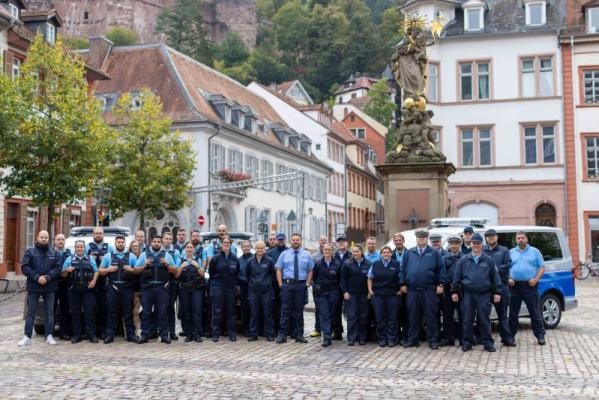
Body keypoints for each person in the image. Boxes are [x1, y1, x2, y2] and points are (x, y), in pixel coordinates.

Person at [452, 234, 502, 352]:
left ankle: (488, 343)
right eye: (474, 243)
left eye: (478, 243)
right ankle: (467, 342)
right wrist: (454, 291)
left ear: (482, 245)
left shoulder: (488, 260)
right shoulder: (463, 260)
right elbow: (457, 277)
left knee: (484, 319)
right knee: (467, 319)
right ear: (471, 244)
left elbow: (495, 277)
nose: (476, 245)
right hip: (468, 294)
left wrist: (497, 292)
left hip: (484, 294)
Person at [400, 228, 446, 349]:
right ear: (416, 238)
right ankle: (413, 339)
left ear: (427, 239)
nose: (421, 238)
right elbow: (402, 269)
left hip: (429, 290)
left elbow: (441, 270)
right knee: (413, 316)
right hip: (412, 290)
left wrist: (440, 284)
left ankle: (433, 340)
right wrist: (402, 284)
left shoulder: (435, 253)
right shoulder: (409, 253)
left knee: (431, 315)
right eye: (419, 237)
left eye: (424, 237)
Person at [19, 230, 62, 347]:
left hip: (50, 286)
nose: (44, 239)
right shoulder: (30, 252)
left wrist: (47, 277)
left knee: (49, 313)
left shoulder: (54, 253)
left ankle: (49, 336)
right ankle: (27, 337)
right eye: (42, 237)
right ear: (37, 237)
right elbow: (25, 267)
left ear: (49, 239)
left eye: (46, 237)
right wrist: (37, 277)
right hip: (34, 286)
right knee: (31, 313)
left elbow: (58, 268)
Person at [135, 235, 177, 344]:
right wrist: (144, 265)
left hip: (161, 288)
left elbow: (175, 271)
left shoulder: (167, 255)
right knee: (146, 313)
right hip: (148, 288)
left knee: (162, 313)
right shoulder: (144, 255)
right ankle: (144, 335)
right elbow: (136, 270)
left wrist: (167, 264)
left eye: (159, 241)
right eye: (155, 241)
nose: (157, 243)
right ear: (151, 242)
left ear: (161, 243)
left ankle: (164, 336)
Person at [508, 231, 546, 345]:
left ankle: (540, 336)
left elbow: (542, 267)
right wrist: (508, 279)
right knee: (513, 314)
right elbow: (505, 268)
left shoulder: (535, 251)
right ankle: (510, 337)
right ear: (516, 240)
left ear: (527, 239)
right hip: (514, 286)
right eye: (518, 238)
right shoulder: (511, 252)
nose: (521, 240)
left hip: (530, 286)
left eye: (523, 238)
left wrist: (535, 280)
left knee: (534, 312)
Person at [99, 235, 139, 343]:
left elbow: (137, 271)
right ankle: (110, 335)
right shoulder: (108, 256)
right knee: (112, 312)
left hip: (127, 288)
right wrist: (109, 269)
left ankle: (131, 335)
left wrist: (131, 269)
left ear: (125, 244)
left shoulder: (131, 256)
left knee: (128, 312)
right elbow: (100, 271)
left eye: (122, 242)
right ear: (115, 244)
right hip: (113, 287)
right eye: (119, 242)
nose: (120, 244)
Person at [275, 233, 314, 344]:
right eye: (293, 240)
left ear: (300, 241)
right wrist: (280, 285)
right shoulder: (284, 254)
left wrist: (307, 283)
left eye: (297, 240)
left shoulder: (307, 254)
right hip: (287, 285)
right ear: (290, 241)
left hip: (301, 285)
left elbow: (311, 270)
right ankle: (282, 335)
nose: (295, 241)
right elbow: (278, 269)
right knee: (285, 310)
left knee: (299, 311)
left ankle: (299, 335)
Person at [62, 240, 100, 344]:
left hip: (88, 289)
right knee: (75, 313)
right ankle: (76, 335)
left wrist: (94, 281)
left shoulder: (90, 259)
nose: (79, 249)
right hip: (74, 289)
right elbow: (63, 275)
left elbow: (96, 271)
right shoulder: (69, 259)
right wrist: (67, 270)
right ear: (75, 248)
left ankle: (92, 335)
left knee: (90, 313)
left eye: (81, 247)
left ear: (84, 248)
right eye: (77, 247)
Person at [483, 228, 516, 347]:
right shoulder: (482, 250)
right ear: (486, 238)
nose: (490, 238)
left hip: (501, 287)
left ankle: (507, 339)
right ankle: (485, 339)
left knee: (502, 315)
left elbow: (508, 264)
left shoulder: (504, 250)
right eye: (488, 236)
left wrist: (495, 269)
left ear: (496, 237)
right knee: (484, 315)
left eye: (492, 235)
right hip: (486, 288)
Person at [368, 246, 401, 347]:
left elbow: (401, 277)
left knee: (392, 318)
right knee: (380, 318)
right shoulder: (375, 264)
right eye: (384, 253)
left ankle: (391, 339)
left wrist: (400, 290)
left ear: (391, 254)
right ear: (381, 254)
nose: (386, 254)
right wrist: (370, 290)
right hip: (378, 295)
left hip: (392, 295)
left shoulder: (397, 264)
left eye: (388, 252)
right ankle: (382, 339)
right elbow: (369, 278)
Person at [208, 235, 240, 342]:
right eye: (224, 243)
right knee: (217, 311)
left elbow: (237, 273)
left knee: (231, 312)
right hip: (218, 287)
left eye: (228, 243)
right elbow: (211, 273)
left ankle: (232, 334)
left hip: (230, 288)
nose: (226, 244)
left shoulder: (234, 258)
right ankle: (216, 334)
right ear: (221, 244)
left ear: (231, 244)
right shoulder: (216, 258)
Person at [86, 227, 115, 340]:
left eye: (100, 233)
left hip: (105, 282)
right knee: (91, 308)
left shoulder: (109, 248)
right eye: (96, 233)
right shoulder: (87, 247)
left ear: (103, 235)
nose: (98, 235)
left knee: (104, 308)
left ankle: (102, 331)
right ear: (93, 234)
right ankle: (91, 332)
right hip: (91, 282)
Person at [341, 244, 371, 346]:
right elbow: (343, 280)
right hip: (351, 294)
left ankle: (362, 338)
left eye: (357, 251)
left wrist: (369, 292)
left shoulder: (368, 264)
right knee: (352, 316)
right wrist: (345, 292)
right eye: (353, 252)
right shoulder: (347, 264)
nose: (355, 253)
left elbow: (371, 279)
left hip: (364, 295)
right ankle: (352, 338)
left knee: (363, 317)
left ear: (362, 252)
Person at [312, 243, 341, 347]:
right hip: (322, 293)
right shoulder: (318, 264)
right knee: (324, 314)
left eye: (329, 249)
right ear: (323, 251)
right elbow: (314, 278)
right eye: (325, 249)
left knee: (332, 314)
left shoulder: (337, 264)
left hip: (334, 292)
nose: (327, 251)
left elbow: (340, 279)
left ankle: (330, 331)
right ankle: (327, 338)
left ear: (332, 251)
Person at [246, 241, 276, 341]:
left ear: (265, 249)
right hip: (253, 291)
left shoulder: (270, 261)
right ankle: (253, 334)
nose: (259, 250)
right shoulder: (250, 261)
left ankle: (269, 334)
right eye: (258, 248)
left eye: (261, 248)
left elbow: (273, 275)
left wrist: (267, 284)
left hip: (266, 291)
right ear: (255, 249)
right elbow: (248, 275)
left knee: (267, 313)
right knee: (254, 313)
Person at [176, 242, 205, 343]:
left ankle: (197, 334)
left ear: (194, 249)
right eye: (187, 247)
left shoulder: (198, 259)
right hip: (184, 289)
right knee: (186, 312)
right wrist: (181, 267)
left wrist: (197, 266)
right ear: (185, 249)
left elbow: (203, 274)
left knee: (197, 312)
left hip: (196, 289)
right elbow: (176, 275)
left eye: (191, 247)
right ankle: (188, 334)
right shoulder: (180, 260)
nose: (189, 249)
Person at [440, 235, 463, 347]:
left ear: (459, 244)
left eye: (456, 243)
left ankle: (463, 338)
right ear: (449, 245)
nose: (454, 245)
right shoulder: (444, 258)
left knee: (463, 315)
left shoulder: (464, 257)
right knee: (448, 316)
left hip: (461, 291)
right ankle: (449, 338)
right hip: (448, 290)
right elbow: (443, 274)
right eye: (452, 243)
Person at [267, 232, 288, 337]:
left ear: (285, 239)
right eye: (278, 239)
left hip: (287, 283)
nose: (280, 241)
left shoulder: (289, 251)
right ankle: (275, 329)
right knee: (274, 307)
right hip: (274, 284)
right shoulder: (270, 253)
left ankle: (287, 329)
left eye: (282, 239)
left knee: (286, 307)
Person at [162, 232, 181, 341]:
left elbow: (176, 268)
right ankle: (160, 330)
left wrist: (168, 265)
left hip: (172, 281)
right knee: (161, 308)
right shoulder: (158, 251)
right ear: (162, 239)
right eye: (166, 238)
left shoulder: (176, 252)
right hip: (161, 282)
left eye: (170, 239)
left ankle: (172, 332)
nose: (168, 241)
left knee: (170, 307)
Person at [54, 234, 73, 341]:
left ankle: (64, 333)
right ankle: (49, 333)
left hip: (66, 285)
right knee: (50, 309)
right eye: (58, 239)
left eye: (62, 239)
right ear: (54, 241)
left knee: (65, 309)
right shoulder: (50, 253)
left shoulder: (69, 253)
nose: (60, 241)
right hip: (53, 284)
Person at [310, 235, 328, 338]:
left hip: (330, 286)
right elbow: (311, 271)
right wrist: (312, 282)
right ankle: (317, 329)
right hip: (317, 286)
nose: (323, 242)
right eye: (321, 240)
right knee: (318, 308)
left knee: (330, 309)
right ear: (319, 242)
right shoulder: (314, 257)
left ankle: (331, 329)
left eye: (325, 240)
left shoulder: (332, 254)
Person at [392, 232, 408, 344]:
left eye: (400, 240)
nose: (398, 242)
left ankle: (405, 336)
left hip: (407, 288)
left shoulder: (411, 253)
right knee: (395, 314)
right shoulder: (390, 253)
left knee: (407, 313)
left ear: (403, 241)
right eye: (396, 240)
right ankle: (396, 336)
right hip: (394, 289)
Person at [333, 236, 351, 340]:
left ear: (347, 243)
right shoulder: (333, 256)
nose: (341, 243)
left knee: (349, 310)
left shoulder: (351, 255)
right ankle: (337, 331)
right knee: (336, 310)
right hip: (335, 287)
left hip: (348, 287)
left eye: (343, 241)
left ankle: (351, 331)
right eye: (339, 242)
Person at [238, 240, 253, 336]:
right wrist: (246, 281)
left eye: (248, 246)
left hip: (255, 287)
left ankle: (255, 328)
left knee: (254, 309)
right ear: (242, 248)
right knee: (245, 309)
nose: (246, 248)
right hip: (244, 288)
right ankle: (246, 329)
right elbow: (238, 274)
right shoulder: (239, 260)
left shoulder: (255, 258)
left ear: (250, 247)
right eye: (244, 246)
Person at [128, 241, 142, 334]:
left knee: (139, 312)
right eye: (133, 246)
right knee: (132, 311)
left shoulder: (142, 258)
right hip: (131, 288)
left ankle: (139, 329)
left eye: (137, 246)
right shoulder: (128, 258)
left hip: (142, 288)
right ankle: (133, 330)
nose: (135, 248)